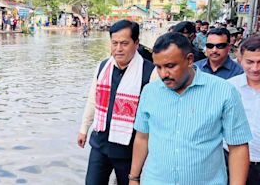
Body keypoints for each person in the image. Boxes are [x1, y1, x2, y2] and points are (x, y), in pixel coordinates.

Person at [129, 32, 252, 185]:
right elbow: (142, 138)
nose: (163, 74)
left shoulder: (224, 92)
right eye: (158, 67)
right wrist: (134, 178)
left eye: (170, 66)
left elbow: (238, 147)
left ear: (189, 60)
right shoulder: (150, 92)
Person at [77, 20, 154, 185]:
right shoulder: (103, 67)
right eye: (115, 43)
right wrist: (84, 128)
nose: (118, 49)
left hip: (130, 150)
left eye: (124, 43)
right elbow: (93, 99)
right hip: (101, 144)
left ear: (136, 43)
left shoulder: (150, 72)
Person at [226, 36, 260, 185]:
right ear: (239, 60)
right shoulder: (229, 88)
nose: (255, 68)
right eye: (250, 62)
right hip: (229, 162)